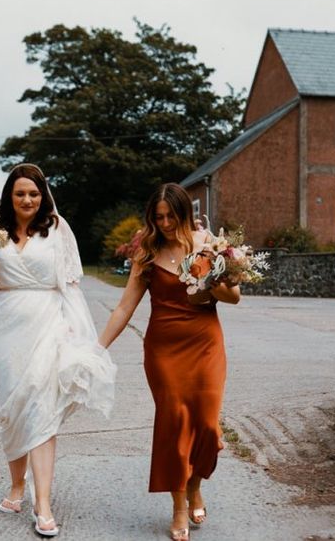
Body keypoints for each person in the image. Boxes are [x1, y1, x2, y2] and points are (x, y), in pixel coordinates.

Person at [0, 163, 116, 537]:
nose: (27, 200)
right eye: (20, 194)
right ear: (9, 196)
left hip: (48, 323)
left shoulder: (57, 228)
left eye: (34, 194)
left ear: (43, 195)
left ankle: (43, 502)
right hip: (4, 328)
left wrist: (76, 333)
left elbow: (71, 284)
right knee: (14, 408)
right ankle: (16, 485)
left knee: (42, 408)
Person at [98, 182, 239, 541]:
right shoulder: (146, 255)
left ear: (185, 214)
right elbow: (124, 306)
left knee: (208, 425)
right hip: (163, 348)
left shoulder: (209, 245)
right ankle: (178, 506)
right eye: (158, 217)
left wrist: (207, 280)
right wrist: (96, 347)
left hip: (205, 341)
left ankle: (194, 485)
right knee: (175, 423)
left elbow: (234, 296)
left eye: (171, 216)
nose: (164, 223)